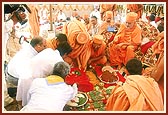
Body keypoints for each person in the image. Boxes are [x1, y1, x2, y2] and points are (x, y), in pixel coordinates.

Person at [16, 41, 72, 107]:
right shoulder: (59, 62)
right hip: (32, 80)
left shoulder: (49, 50)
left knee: (22, 98)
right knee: (31, 103)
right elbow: (55, 80)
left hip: (24, 72)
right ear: (65, 54)